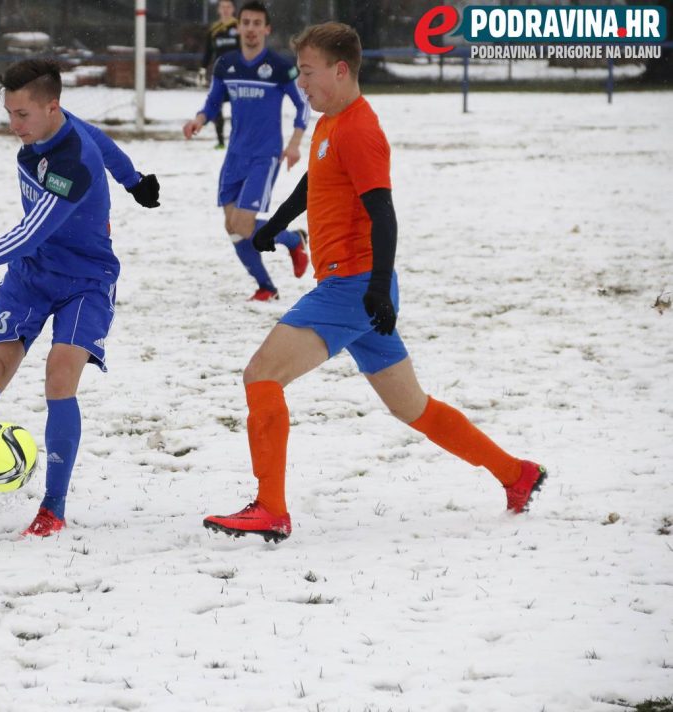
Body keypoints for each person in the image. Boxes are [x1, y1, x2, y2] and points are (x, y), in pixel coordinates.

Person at [203, 22, 547, 543]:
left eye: (310, 73)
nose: (302, 83)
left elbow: (383, 214)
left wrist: (378, 287)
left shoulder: (361, 129)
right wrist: (274, 226)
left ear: (341, 71)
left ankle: (270, 509)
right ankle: (516, 474)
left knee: (261, 375)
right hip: (361, 291)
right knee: (414, 407)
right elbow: (315, 180)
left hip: (354, 288)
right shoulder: (330, 121)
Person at [0, 58, 160, 537]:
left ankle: (52, 509)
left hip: (85, 280)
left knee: (59, 375)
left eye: (22, 115)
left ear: (51, 107)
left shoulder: (71, 166)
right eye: (9, 113)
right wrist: (133, 180)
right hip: (31, 277)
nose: (13, 125)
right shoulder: (58, 127)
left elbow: (28, 235)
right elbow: (104, 141)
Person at [184, 0, 311, 302]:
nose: (251, 29)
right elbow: (213, 102)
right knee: (233, 228)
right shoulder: (226, 64)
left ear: (266, 29)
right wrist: (199, 120)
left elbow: (303, 107)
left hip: (264, 156)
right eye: (246, 23)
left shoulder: (279, 67)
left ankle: (293, 240)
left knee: (243, 224)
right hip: (235, 155)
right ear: (237, 26)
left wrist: (294, 144)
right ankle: (267, 286)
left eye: (257, 24)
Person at [200, 0, 240, 149]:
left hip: (237, 75)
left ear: (233, 9)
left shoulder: (239, 27)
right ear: (218, 10)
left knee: (238, 109)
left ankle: (237, 140)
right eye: (222, 7)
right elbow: (208, 52)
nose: (225, 10)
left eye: (228, 7)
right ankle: (221, 141)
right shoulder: (214, 30)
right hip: (220, 75)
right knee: (216, 107)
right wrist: (203, 68)